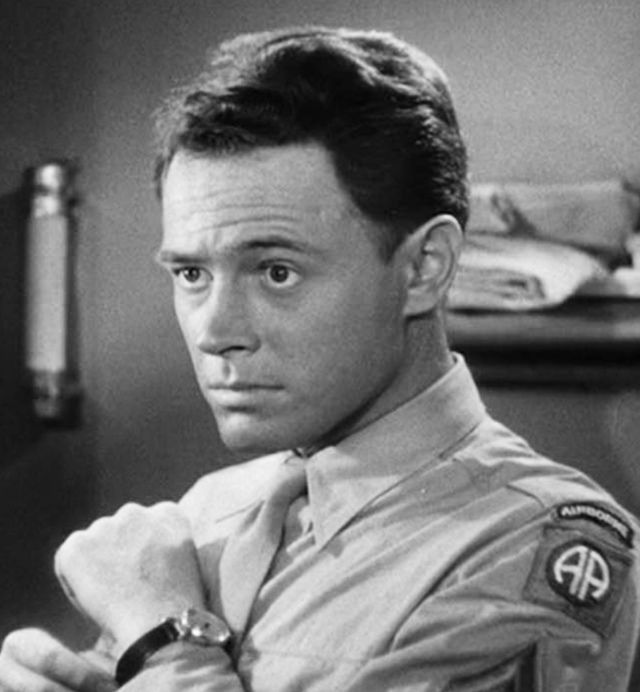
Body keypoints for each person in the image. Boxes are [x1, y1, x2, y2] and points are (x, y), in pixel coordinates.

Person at [1, 25, 638, 692]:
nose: (215, 331)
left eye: (276, 272)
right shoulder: (207, 516)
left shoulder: (529, 549)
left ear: (424, 268)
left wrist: (164, 637)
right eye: (192, 274)